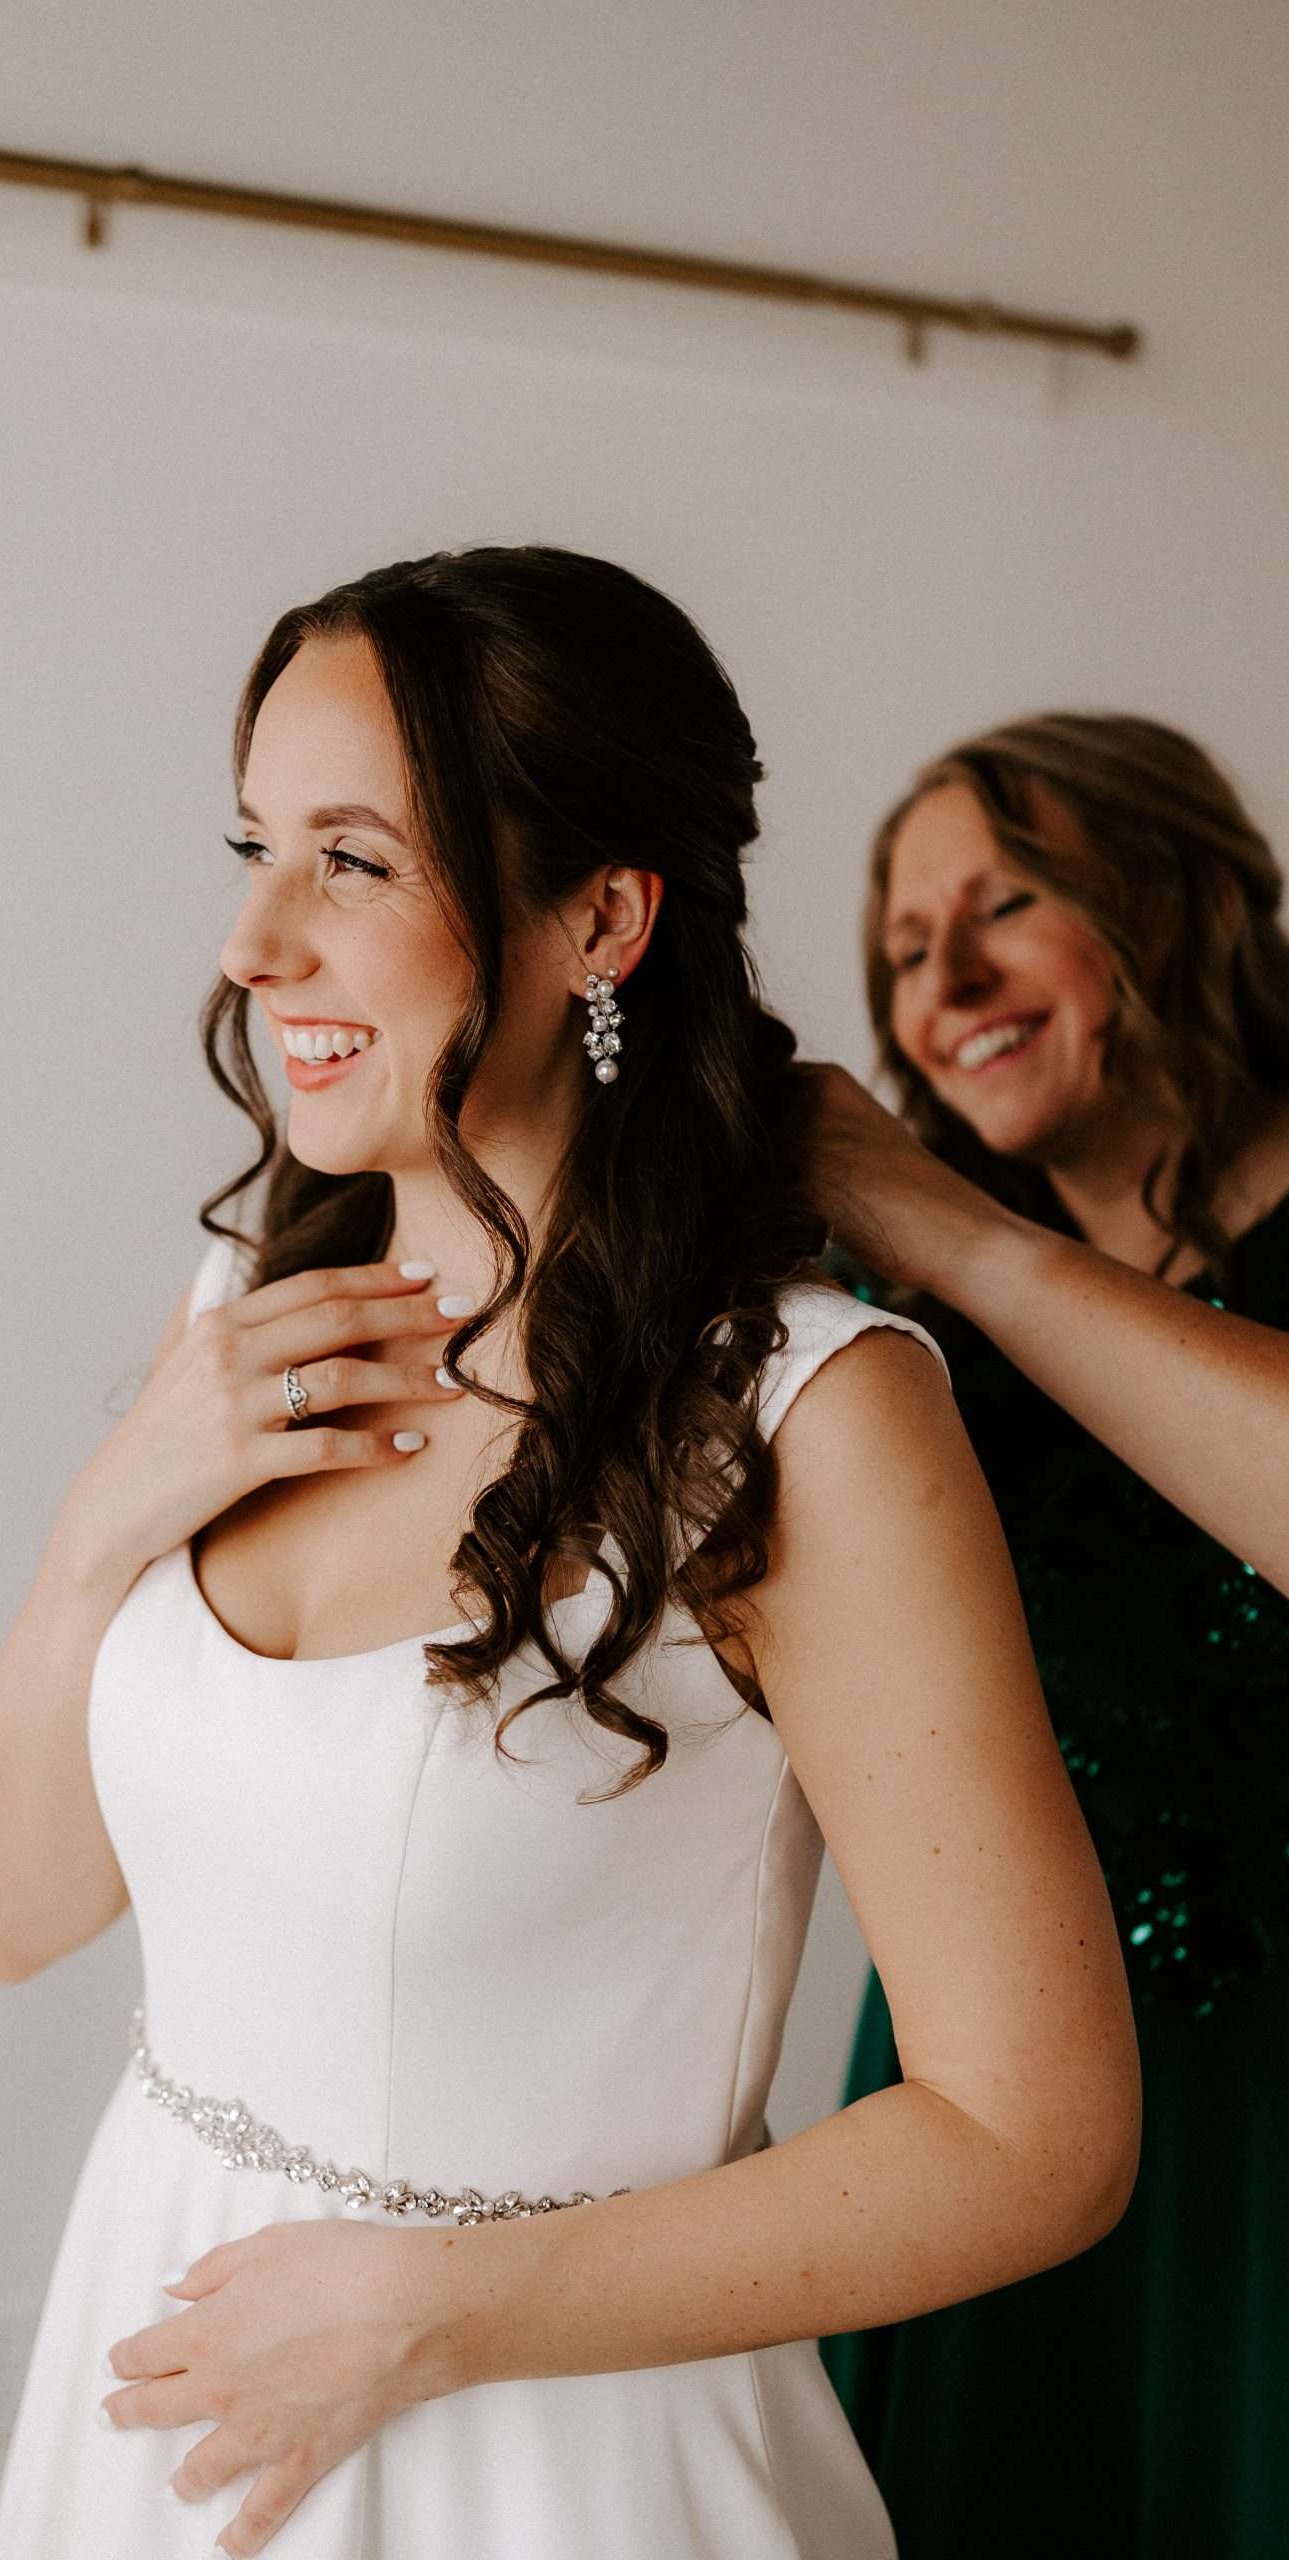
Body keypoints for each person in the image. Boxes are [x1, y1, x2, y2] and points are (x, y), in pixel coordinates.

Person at [0, 549, 1137, 2560]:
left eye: (348, 861)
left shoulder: (808, 1414)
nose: (250, 940)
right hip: (156, 2398)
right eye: (252, 847)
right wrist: (102, 1525)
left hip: (555, 2455)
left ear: (596, 914)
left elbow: (1036, 2135)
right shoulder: (246, 1303)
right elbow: (5, 1901)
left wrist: (431, 2316)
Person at [811, 713, 1289, 2560]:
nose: (945, 982)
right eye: (906, 949)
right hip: (998, 2056)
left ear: (1171, 895)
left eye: (1004, 905)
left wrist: (957, 1239)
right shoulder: (887, 1309)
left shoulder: (950, 1248)